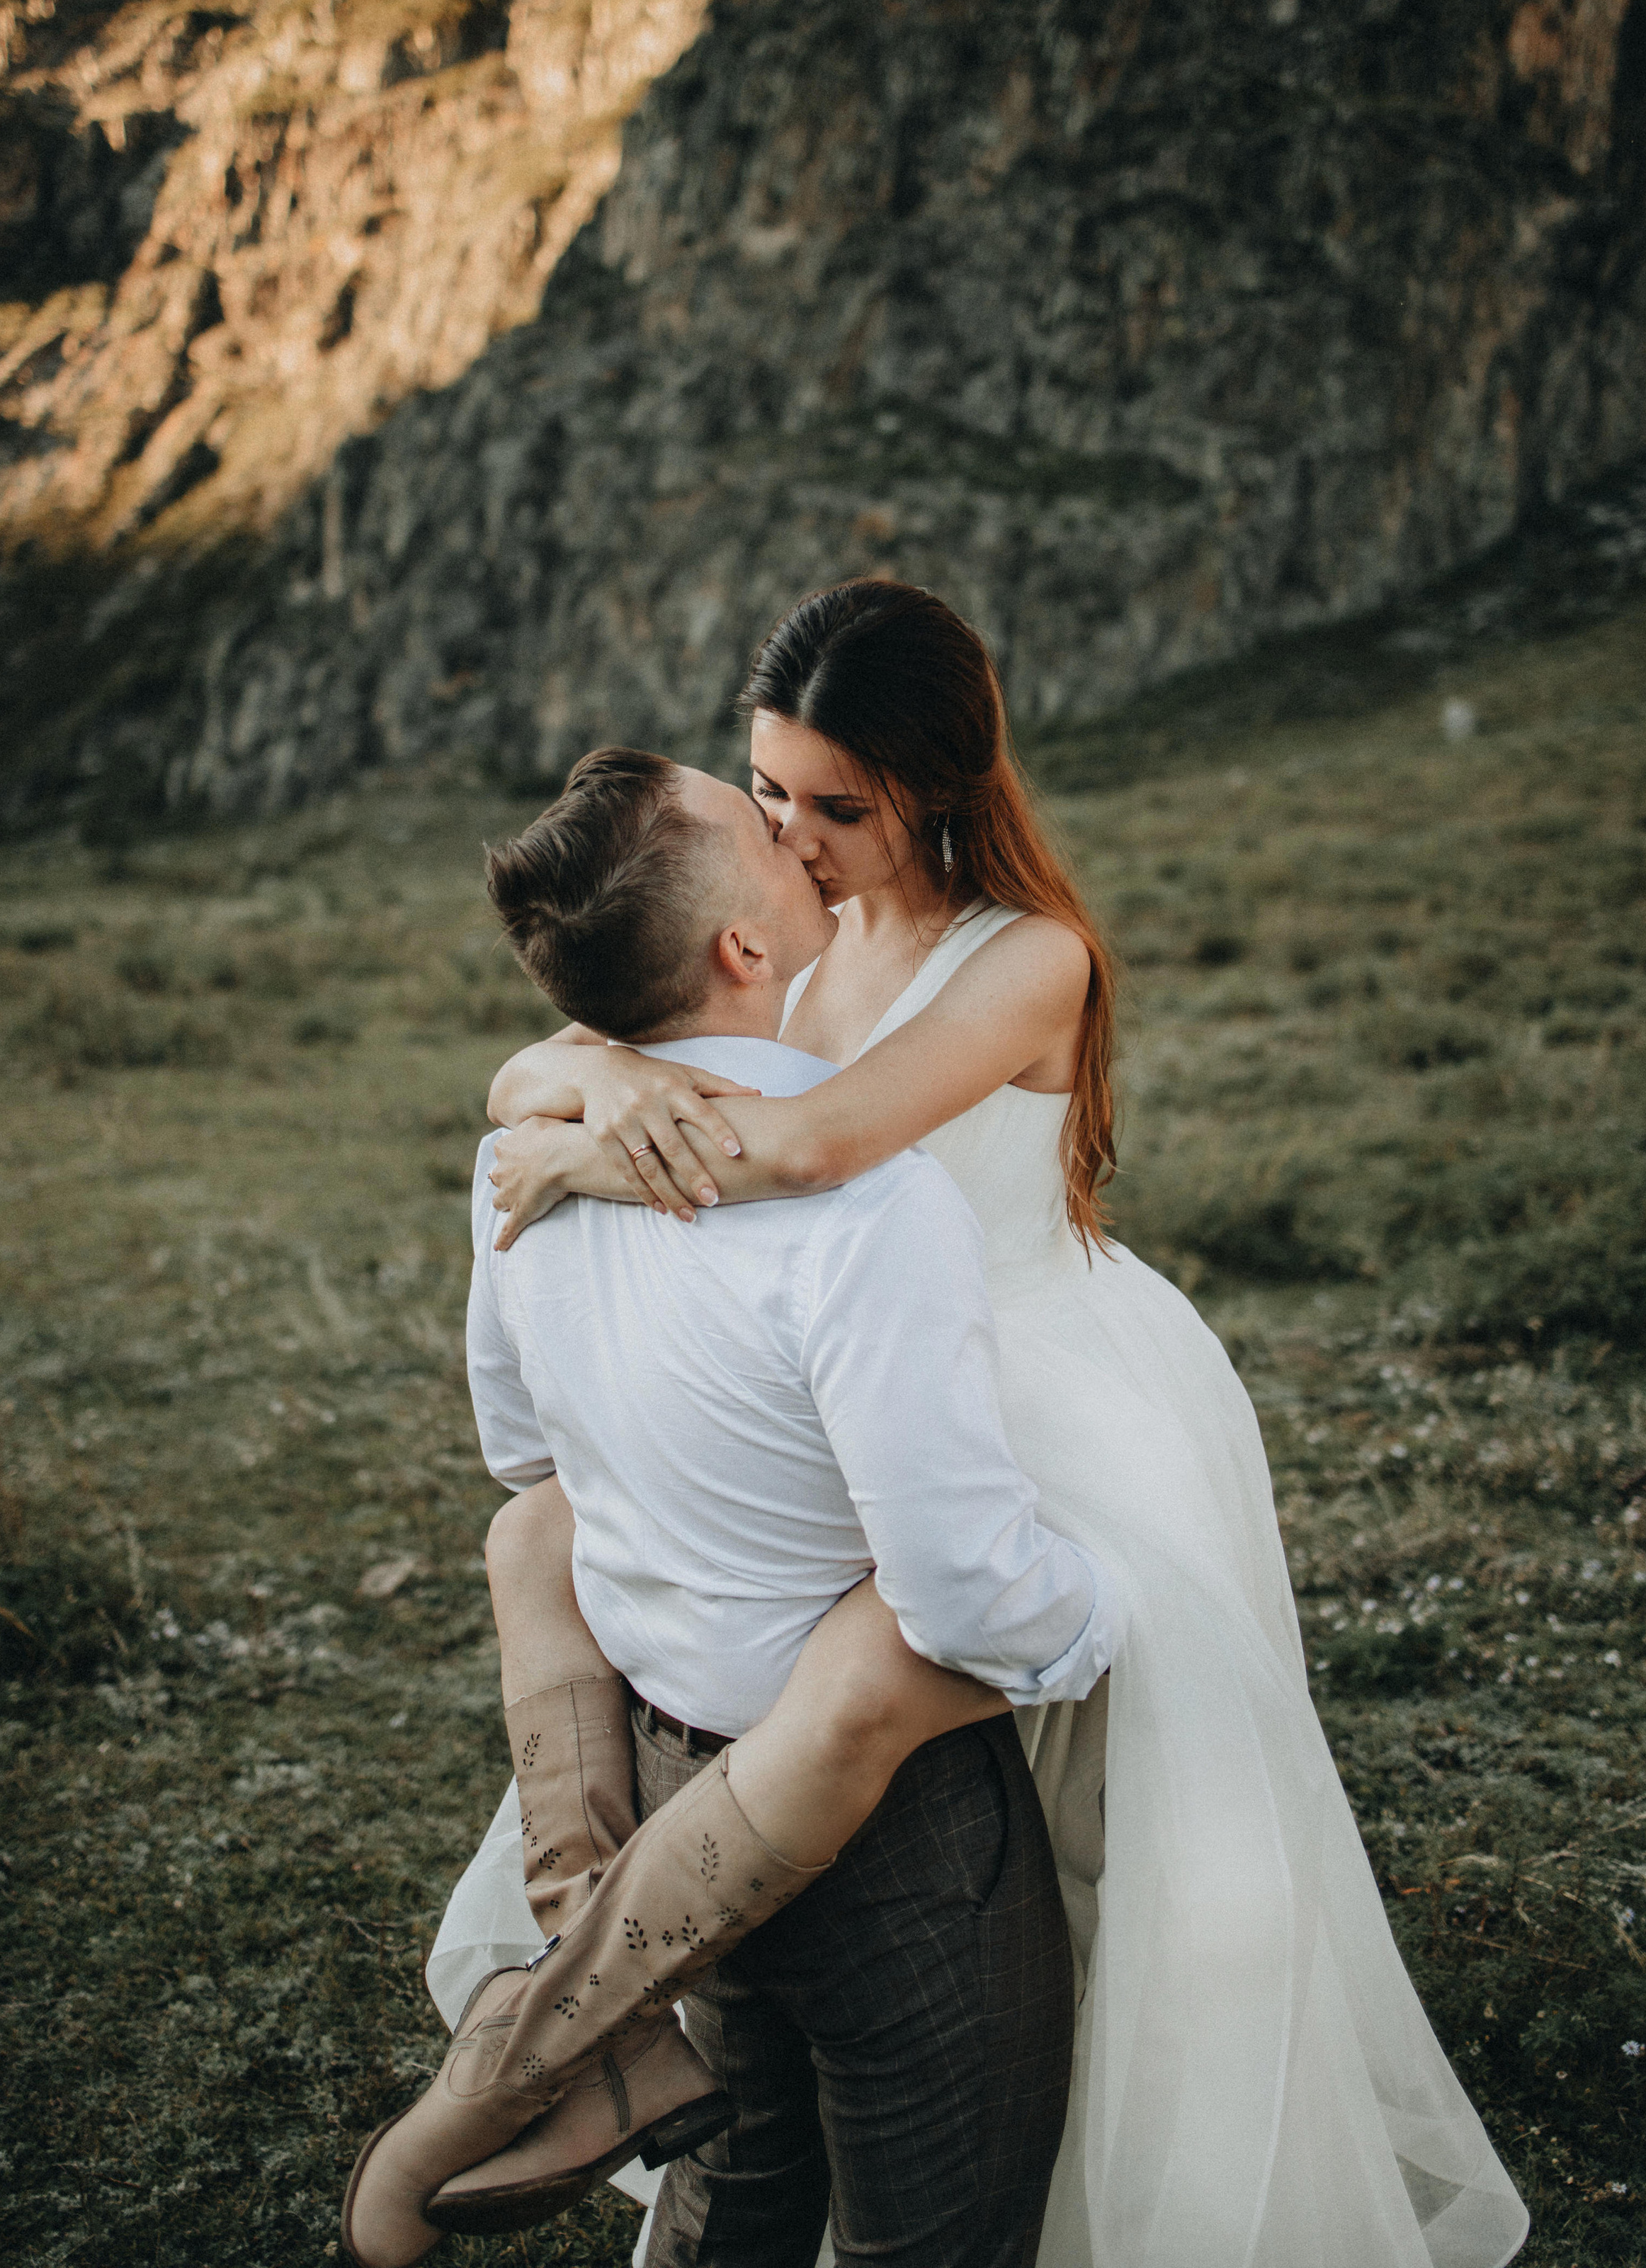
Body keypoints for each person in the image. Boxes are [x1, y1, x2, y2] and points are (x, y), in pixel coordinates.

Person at [430, 581, 1531, 2268]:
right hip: (844, 1379)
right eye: (770, 793)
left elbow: (823, 1143)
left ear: (939, 788)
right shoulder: (776, 933)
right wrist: (599, 1079)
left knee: (1119, 1832)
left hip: (1031, 1381)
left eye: (838, 808)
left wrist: (590, 1129)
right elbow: (534, 1059)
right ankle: (683, 2034)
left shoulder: (1027, 959)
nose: (791, 841)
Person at [344, 744, 1120, 2268]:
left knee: (738, 2196)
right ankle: (542, 2038)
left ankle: (576, 2005)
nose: (788, 829)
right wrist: (1103, 1607)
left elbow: (529, 1461)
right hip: (890, 1830)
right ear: (744, 952)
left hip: (660, 1756)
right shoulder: (872, 1212)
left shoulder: (527, 1166)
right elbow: (957, 1601)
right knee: (934, 2228)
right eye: (751, 815)